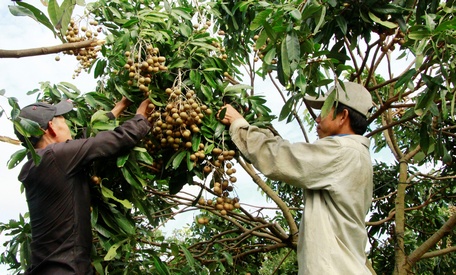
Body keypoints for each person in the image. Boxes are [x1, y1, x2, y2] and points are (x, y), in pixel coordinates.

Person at [218, 82, 375, 274]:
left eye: (324, 111)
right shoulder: (353, 153)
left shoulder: (342, 152)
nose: (317, 119)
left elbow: (280, 157)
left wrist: (239, 124)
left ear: (343, 116)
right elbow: (286, 151)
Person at [14, 97, 152, 275]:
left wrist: (117, 109)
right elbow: (117, 140)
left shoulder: (40, 162)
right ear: (50, 128)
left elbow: (84, 143)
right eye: (63, 120)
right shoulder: (57, 156)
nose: (68, 126)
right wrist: (141, 117)